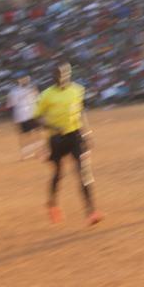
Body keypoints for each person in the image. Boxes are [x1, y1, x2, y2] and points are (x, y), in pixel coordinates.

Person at [33, 62, 103, 226]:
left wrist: (86, 133)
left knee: (83, 172)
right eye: (59, 75)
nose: (62, 78)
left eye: (65, 75)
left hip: (75, 135)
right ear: (54, 77)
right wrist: (53, 127)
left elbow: (80, 112)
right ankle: (52, 204)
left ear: (69, 75)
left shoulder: (77, 90)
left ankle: (91, 212)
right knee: (58, 174)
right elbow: (37, 118)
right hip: (56, 138)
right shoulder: (46, 95)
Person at [7, 74, 43, 160]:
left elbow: (38, 100)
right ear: (19, 80)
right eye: (23, 79)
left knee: (37, 133)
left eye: (26, 79)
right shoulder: (14, 92)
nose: (25, 80)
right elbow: (11, 106)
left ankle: (38, 152)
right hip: (22, 115)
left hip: (32, 113)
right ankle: (25, 154)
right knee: (24, 135)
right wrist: (14, 119)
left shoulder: (32, 89)